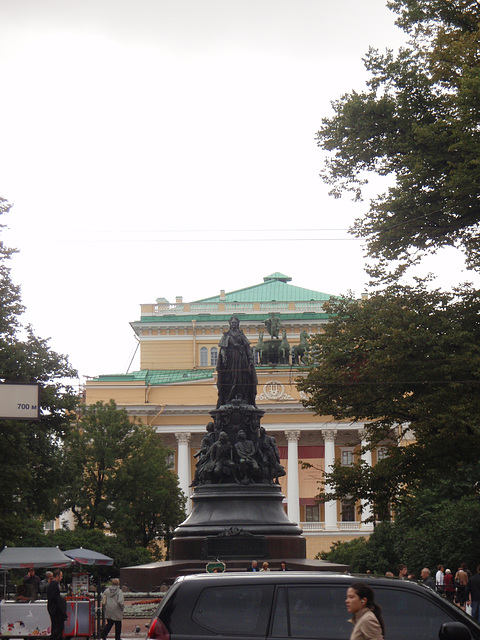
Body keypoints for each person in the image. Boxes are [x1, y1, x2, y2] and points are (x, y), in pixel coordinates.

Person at [216, 316, 258, 407]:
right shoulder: (226, 335)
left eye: (235, 323)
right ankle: (229, 397)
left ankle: (240, 395)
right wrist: (224, 357)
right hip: (230, 361)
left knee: (241, 377)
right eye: (232, 323)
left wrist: (250, 360)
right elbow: (223, 348)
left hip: (241, 359)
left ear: (238, 324)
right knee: (229, 378)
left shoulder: (241, 335)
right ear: (230, 324)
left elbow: (247, 348)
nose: (233, 324)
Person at [47, 569, 67, 640]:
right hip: (55, 610)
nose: (61, 578)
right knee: (58, 628)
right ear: (57, 576)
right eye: (61, 576)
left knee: (57, 628)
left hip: (53, 609)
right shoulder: (54, 585)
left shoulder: (52, 584)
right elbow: (55, 598)